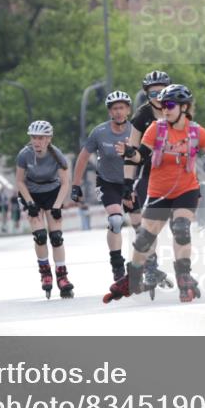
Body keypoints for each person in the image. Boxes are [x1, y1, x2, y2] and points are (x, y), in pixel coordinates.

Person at [107, 84, 205, 303]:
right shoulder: (156, 129)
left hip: (186, 190)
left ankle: (184, 276)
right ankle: (134, 274)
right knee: (144, 240)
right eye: (162, 105)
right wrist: (130, 152)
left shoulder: (195, 131)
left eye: (170, 105)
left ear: (184, 107)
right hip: (158, 191)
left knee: (181, 228)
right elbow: (141, 156)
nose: (165, 109)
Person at [72, 90, 134, 283]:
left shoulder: (135, 131)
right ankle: (117, 265)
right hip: (107, 182)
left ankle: (149, 263)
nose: (118, 112)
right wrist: (75, 185)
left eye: (122, 108)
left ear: (128, 110)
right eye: (114, 109)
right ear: (109, 112)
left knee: (142, 224)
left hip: (130, 181)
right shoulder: (99, 132)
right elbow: (83, 158)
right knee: (116, 220)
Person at [119, 70, 172, 287]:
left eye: (162, 92)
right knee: (141, 223)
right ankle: (151, 266)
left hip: (176, 175)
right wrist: (127, 184)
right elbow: (131, 153)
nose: (158, 97)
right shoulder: (142, 116)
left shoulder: (179, 109)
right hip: (150, 174)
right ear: (146, 95)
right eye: (152, 94)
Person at [15, 120, 73, 298]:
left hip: (53, 192)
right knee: (40, 237)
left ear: (48, 138)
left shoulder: (57, 155)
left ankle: (62, 276)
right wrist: (30, 203)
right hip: (31, 193)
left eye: (40, 138)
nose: (36, 142)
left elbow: (65, 183)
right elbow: (19, 181)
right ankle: (45, 273)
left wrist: (57, 206)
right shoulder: (24, 155)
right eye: (33, 138)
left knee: (56, 237)